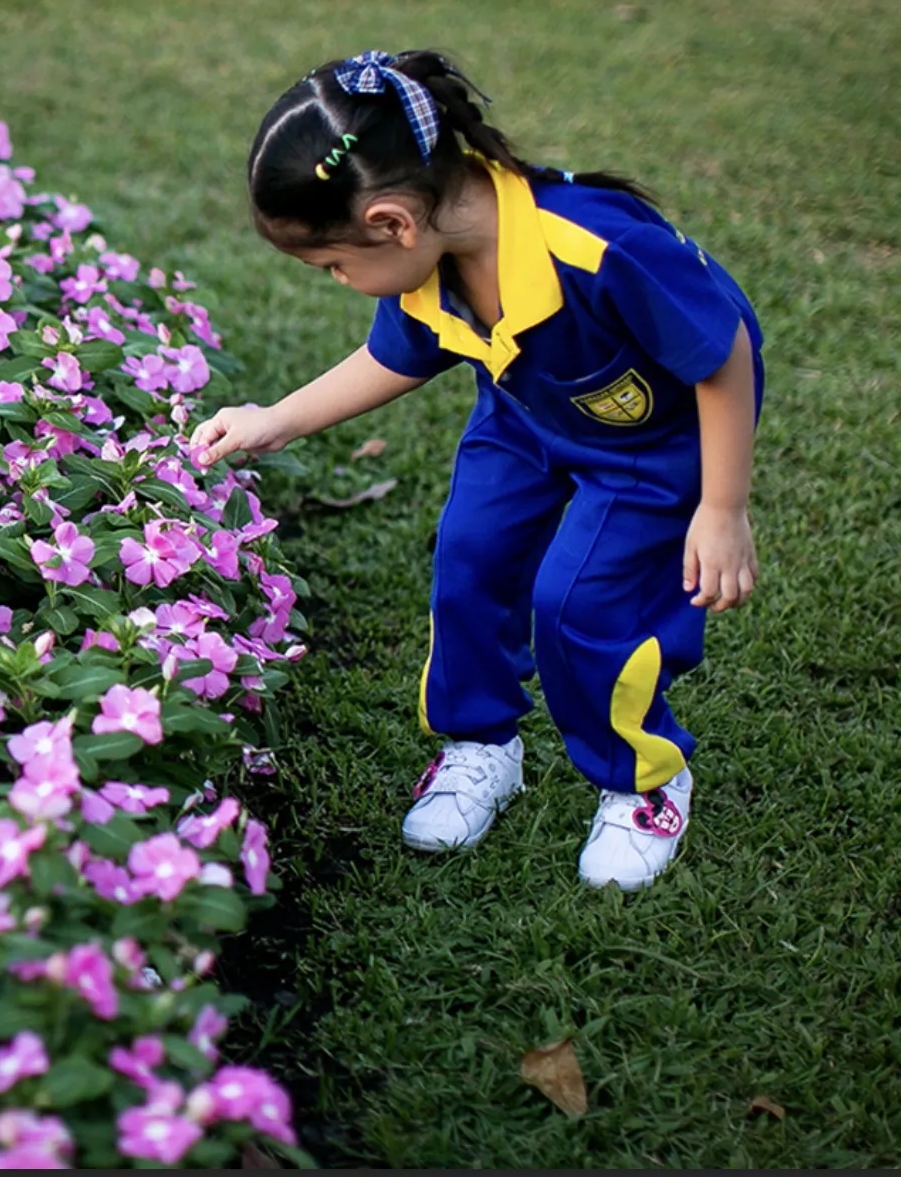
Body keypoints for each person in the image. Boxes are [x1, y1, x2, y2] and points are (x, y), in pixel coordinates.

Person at [193, 50, 762, 890]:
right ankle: (481, 746)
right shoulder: (429, 262)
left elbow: (723, 356)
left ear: (392, 223)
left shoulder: (597, 247)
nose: (345, 282)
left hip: (652, 445)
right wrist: (278, 417)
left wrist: (722, 506)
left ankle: (641, 780)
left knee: (578, 604)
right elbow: (398, 355)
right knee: (470, 558)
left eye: (335, 265)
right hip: (526, 417)